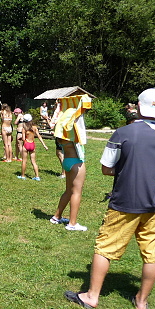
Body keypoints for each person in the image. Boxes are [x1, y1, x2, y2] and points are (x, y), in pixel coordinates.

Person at [64, 88, 155, 309]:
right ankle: (141, 301)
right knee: (152, 252)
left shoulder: (123, 133)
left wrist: (127, 169)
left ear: (138, 107)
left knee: (105, 248)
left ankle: (92, 296)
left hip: (124, 202)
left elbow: (106, 169)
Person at [50, 94, 93, 231]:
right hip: (76, 163)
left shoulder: (62, 132)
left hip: (67, 161)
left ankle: (56, 216)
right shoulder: (73, 131)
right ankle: (72, 223)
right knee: (76, 192)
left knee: (68, 191)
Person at [17, 114, 48, 180]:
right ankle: (37, 176)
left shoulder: (24, 128)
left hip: (26, 144)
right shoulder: (34, 127)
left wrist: (21, 138)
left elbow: (23, 139)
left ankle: (23, 176)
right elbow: (39, 136)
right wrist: (44, 145)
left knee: (24, 161)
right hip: (32, 144)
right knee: (33, 162)